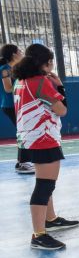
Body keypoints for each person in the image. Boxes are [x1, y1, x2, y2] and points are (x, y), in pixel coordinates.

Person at [13, 44, 79, 250]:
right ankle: (39, 235)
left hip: (29, 137)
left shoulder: (20, 81)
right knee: (45, 186)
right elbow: (62, 110)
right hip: (43, 139)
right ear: (46, 63)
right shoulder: (40, 82)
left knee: (44, 182)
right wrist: (60, 86)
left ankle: (50, 219)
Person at [1, 43, 34, 174]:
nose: (22, 53)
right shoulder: (5, 69)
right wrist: (22, 81)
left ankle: (22, 162)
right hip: (10, 106)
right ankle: (23, 163)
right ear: (14, 54)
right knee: (24, 132)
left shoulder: (16, 68)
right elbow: (8, 89)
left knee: (24, 132)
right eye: (19, 51)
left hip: (18, 104)